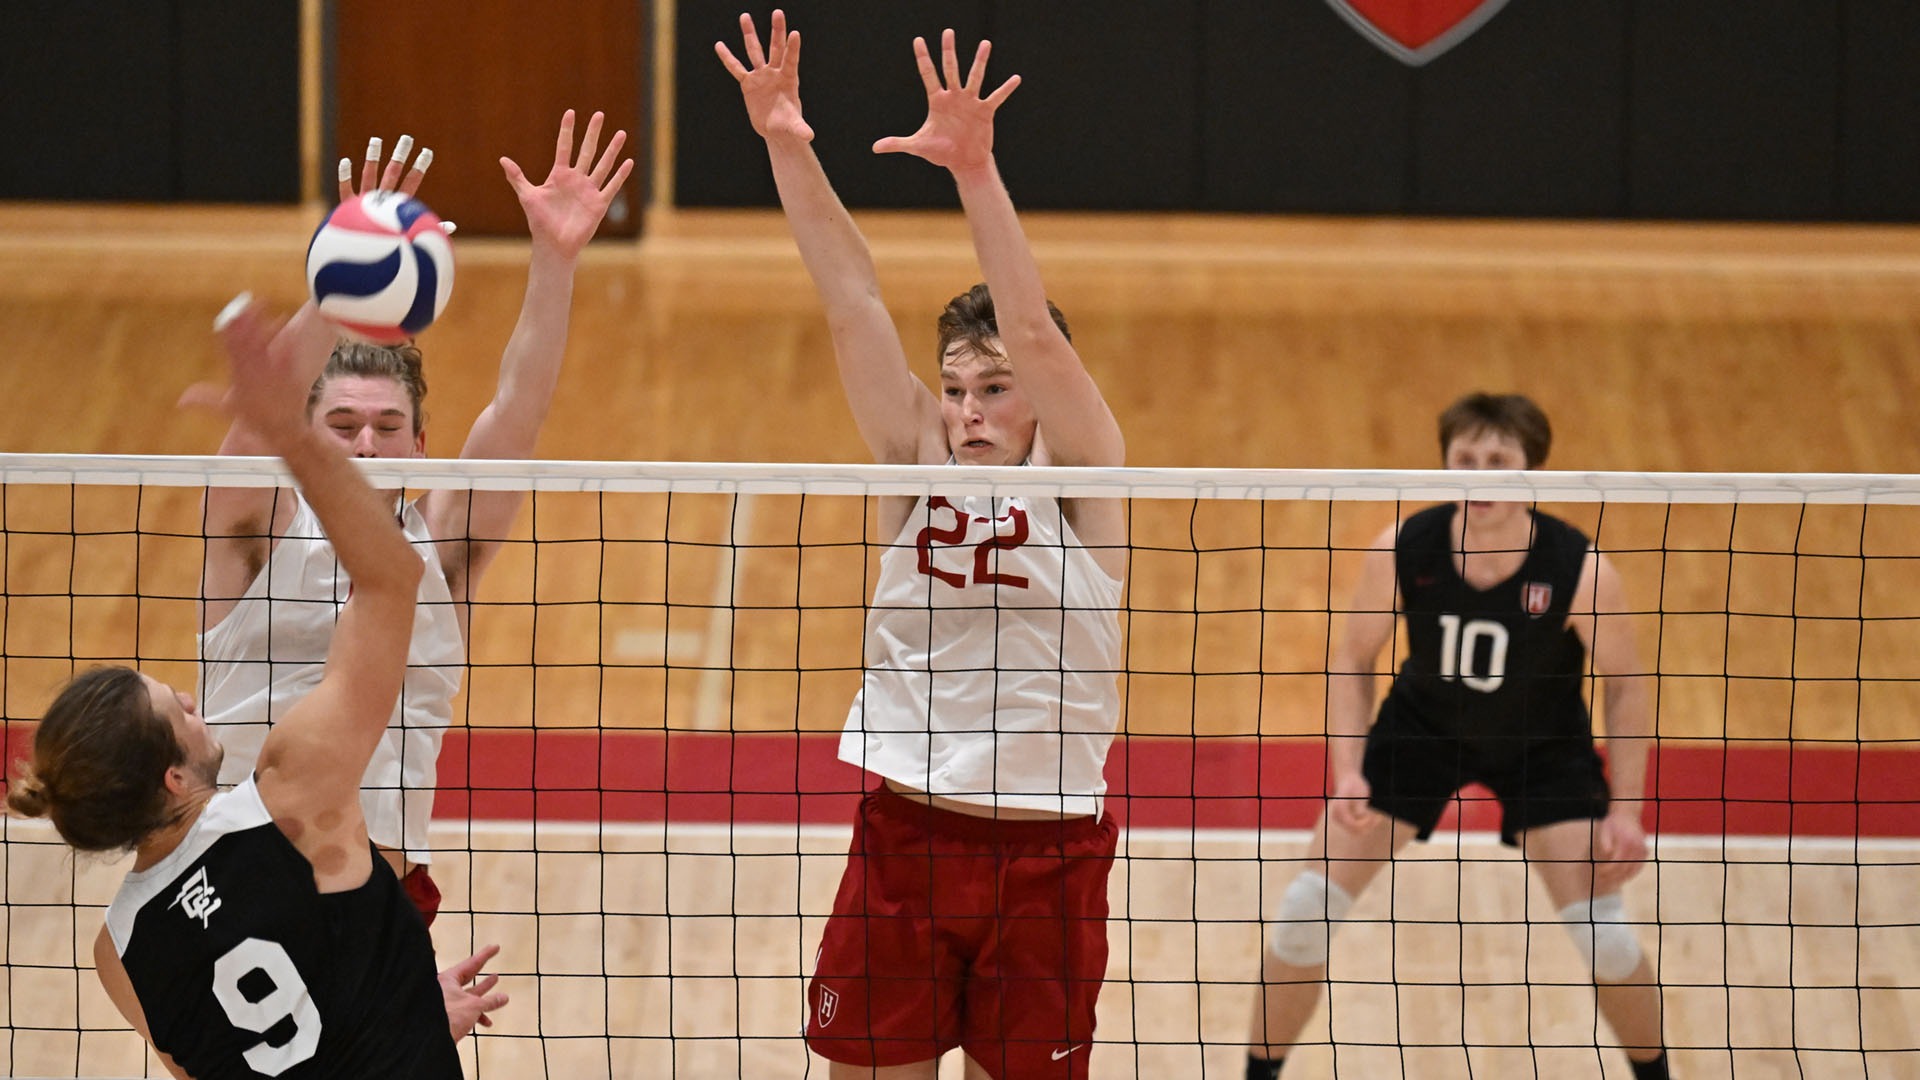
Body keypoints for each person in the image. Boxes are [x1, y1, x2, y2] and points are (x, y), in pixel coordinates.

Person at [719, 12, 1127, 1079]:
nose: (969, 409)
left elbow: (1033, 333)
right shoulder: (915, 458)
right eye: (955, 388)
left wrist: (975, 173)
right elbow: (850, 300)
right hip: (906, 840)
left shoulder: (1088, 476)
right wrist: (784, 142)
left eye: (995, 390)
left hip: (1046, 855)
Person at [5, 297, 502, 1078]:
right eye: (177, 708)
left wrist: (403, 1008)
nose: (192, 699)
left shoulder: (117, 951)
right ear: (172, 777)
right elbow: (390, 580)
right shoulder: (290, 797)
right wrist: (289, 436)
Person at [196, 111, 635, 924]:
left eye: (387, 426)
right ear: (303, 432)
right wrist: (343, 280)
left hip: (382, 899)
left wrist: (555, 259)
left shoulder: (445, 549)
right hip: (237, 882)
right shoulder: (255, 535)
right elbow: (257, 424)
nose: (366, 444)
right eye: (341, 425)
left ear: (421, 444)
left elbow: (519, 410)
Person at [1244, 393, 1675, 1080]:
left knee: (1608, 940)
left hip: (1544, 750)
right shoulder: (1404, 547)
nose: (1479, 476)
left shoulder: (1582, 571)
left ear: (1532, 471)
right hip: (1419, 735)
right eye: (1465, 459)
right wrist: (1349, 772)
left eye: (1499, 461)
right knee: (1303, 915)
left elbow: (1625, 685)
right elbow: (1352, 660)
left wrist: (1626, 811)